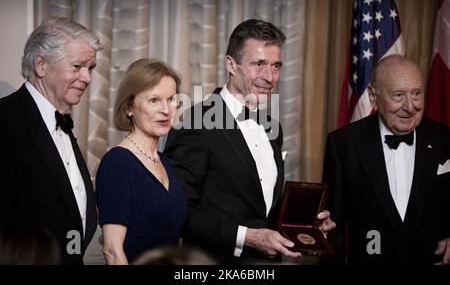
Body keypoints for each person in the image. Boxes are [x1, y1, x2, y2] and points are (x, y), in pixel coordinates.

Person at [164, 19, 335, 264]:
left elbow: (260, 208)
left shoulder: (273, 128)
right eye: (258, 64)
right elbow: (179, 212)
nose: (269, 77)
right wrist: (248, 237)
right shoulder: (194, 121)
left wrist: (306, 224)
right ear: (231, 64)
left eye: (276, 66)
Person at [323, 54, 450, 265]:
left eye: (416, 94)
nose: (410, 106)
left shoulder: (445, 139)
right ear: (373, 97)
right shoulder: (344, 144)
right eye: (399, 95)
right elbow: (331, 229)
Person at [0, 17, 101, 265]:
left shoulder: (61, 120)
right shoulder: (5, 121)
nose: (87, 78)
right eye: (77, 66)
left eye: (91, 68)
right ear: (41, 65)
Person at [95, 59, 187, 265]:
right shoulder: (118, 163)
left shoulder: (165, 161)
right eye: (154, 100)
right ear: (129, 107)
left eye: (171, 99)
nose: (166, 110)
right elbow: (112, 251)